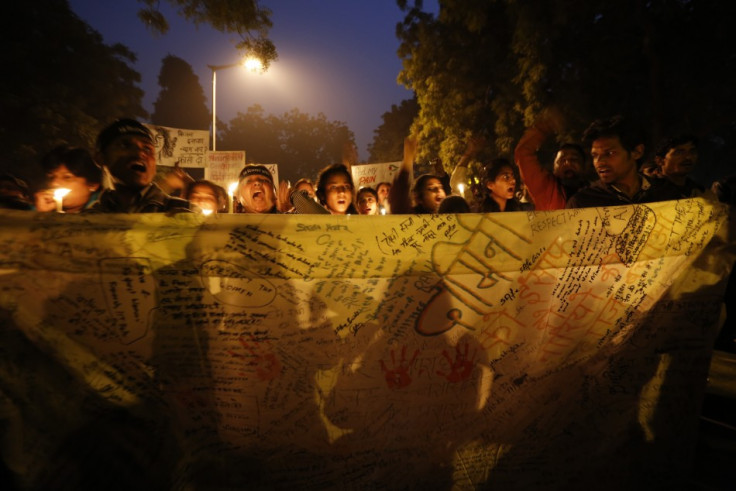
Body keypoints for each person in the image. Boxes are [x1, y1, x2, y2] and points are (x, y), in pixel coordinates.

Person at [566, 115, 681, 208]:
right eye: (595, 155)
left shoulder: (666, 194)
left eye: (610, 153)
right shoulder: (582, 203)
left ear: (637, 152)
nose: (599, 162)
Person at [90, 118, 192, 213]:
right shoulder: (86, 221)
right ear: (100, 158)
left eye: (147, 148)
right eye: (125, 145)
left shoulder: (187, 212)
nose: (139, 153)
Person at [514, 109, 589, 210]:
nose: (568, 163)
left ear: (584, 166)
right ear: (554, 168)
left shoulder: (597, 194)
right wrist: (545, 127)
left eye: (574, 159)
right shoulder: (545, 188)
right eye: (562, 160)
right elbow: (523, 152)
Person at [35, 146, 102, 213]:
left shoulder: (104, 211)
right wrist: (42, 215)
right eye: (52, 177)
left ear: (93, 185)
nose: (54, 183)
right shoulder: (35, 210)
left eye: (67, 177)